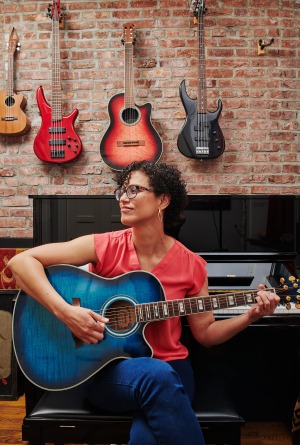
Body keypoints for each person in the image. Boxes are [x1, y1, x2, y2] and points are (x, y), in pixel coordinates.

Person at [8, 160, 280, 445]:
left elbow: (206, 335)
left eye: (135, 190)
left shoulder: (192, 264)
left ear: (163, 199)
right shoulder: (105, 245)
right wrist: (66, 313)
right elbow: (20, 262)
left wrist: (250, 316)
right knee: (158, 375)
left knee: (149, 425)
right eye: (122, 191)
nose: (124, 198)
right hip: (105, 371)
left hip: (173, 368)